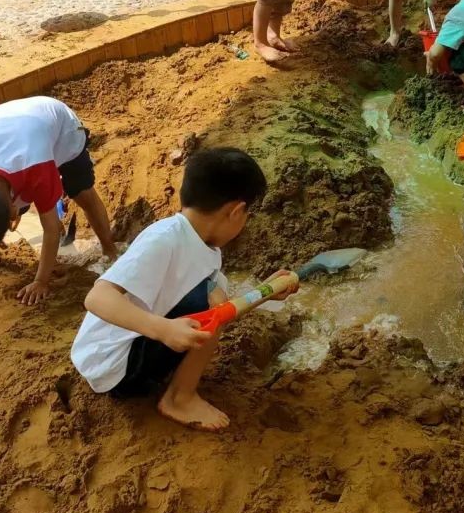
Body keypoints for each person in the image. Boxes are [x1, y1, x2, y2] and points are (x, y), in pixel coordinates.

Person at [71, 148, 297, 431]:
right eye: (248, 213)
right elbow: (97, 298)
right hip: (113, 367)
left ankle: (177, 387)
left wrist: (265, 292)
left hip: (131, 350)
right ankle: (180, 398)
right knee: (212, 301)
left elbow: (224, 310)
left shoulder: (201, 243)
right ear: (236, 211)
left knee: (214, 299)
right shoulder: (163, 240)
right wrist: (163, 330)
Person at [0, 96, 118, 305]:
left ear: (14, 213)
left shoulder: (38, 171)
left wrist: (41, 281)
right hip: (9, 118)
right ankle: (46, 205)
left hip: (61, 129)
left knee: (81, 191)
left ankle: (110, 249)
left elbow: (51, 231)